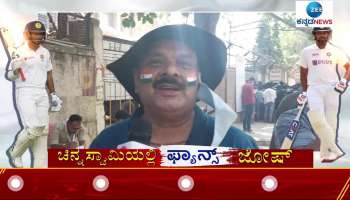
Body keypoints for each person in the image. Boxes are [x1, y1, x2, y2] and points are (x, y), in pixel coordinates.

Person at [90, 25, 257, 148]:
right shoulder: (106, 144)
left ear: (199, 81)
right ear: (136, 79)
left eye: (184, 64)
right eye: (156, 62)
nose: (170, 71)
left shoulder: (237, 145)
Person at [5, 21, 62, 168]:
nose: (38, 36)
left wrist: (53, 94)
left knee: (42, 133)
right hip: (25, 91)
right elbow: (10, 76)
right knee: (33, 128)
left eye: (40, 34)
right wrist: (16, 70)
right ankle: (15, 152)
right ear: (28, 34)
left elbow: (49, 74)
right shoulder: (19, 52)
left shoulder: (45, 52)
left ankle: (40, 176)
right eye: (35, 33)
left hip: (41, 92)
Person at [297, 27, 350, 162]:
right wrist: (304, 91)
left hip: (332, 88)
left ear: (329, 35)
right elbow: (303, 73)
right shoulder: (307, 51)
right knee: (317, 120)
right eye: (319, 33)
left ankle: (326, 153)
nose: (322, 35)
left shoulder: (335, 51)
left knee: (331, 121)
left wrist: (344, 80)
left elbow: (348, 67)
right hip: (314, 89)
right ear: (315, 35)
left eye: (325, 33)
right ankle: (335, 149)